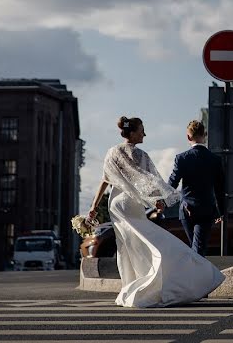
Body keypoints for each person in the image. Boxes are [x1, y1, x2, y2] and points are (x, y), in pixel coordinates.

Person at [87, 116, 224, 308]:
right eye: (142, 130)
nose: (145, 133)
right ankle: (168, 279)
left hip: (116, 204)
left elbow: (104, 180)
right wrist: (160, 201)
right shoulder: (142, 156)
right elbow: (150, 181)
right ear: (133, 133)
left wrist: (94, 207)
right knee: (147, 243)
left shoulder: (112, 152)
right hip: (132, 204)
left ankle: (128, 289)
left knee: (126, 247)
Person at [168, 120, 226, 256]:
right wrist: (221, 212)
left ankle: (195, 272)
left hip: (187, 209)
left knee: (195, 247)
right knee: (199, 247)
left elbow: (172, 183)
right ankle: (198, 272)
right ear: (205, 135)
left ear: (188, 137)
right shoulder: (215, 160)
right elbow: (220, 189)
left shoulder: (182, 158)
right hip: (206, 210)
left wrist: (161, 200)